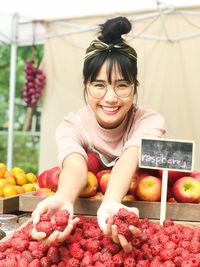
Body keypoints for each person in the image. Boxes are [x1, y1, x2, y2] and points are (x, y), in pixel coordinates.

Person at [31, 16, 165, 252]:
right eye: (99, 85)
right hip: (81, 229)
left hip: (129, 223)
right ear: (86, 85)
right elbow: (75, 164)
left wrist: (112, 200)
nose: (111, 98)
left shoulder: (149, 121)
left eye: (122, 85)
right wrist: (64, 197)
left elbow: (131, 155)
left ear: (135, 87)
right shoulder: (72, 125)